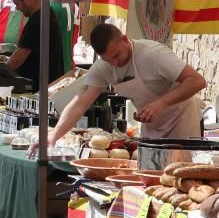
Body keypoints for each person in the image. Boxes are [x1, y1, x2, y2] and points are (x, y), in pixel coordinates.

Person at [45, 23, 206, 148]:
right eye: (108, 60)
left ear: (124, 39)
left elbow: (197, 81)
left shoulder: (153, 54)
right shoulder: (103, 67)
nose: (115, 64)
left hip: (182, 122)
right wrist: (54, 136)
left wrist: (161, 103)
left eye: (116, 55)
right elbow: (79, 104)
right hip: (152, 129)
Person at [4, 0, 65, 85]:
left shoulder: (39, 20)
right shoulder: (46, 13)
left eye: (17, 4)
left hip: (39, 88)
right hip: (47, 83)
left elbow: (16, 61)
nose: (17, 8)